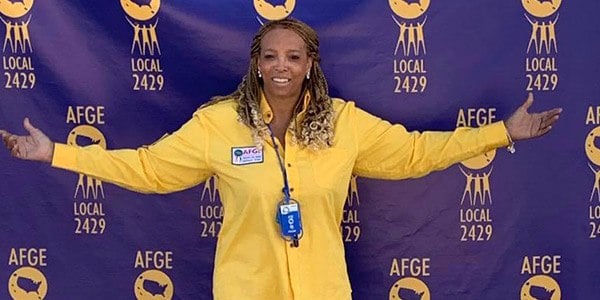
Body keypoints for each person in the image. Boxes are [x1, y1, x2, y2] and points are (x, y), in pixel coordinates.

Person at [0, 18, 561, 300]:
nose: (282, 66)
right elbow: (148, 169)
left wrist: (500, 134)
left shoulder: (344, 123)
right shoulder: (218, 124)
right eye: (270, 56)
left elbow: (417, 153)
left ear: (310, 63)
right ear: (257, 63)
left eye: (294, 56)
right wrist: (57, 154)